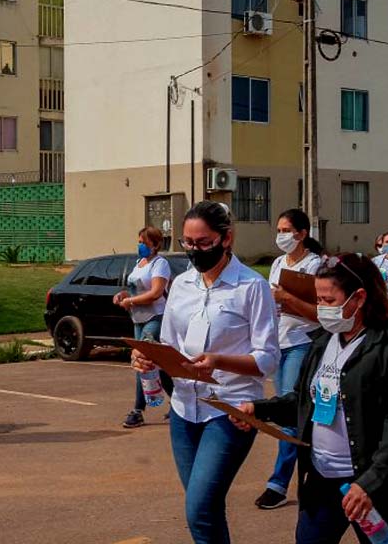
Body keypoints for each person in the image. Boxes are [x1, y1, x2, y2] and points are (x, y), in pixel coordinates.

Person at [234, 253, 388, 544]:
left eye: (329, 301)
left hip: (370, 487)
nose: (320, 308)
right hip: (321, 479)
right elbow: (302, 402)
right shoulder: (322, 343)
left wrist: (368, 484)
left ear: (359, 298)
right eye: (318, 299)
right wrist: (257, 410)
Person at [130, 201, 279, 544]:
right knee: (204, 511)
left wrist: (218, 360)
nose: (194, 251)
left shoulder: (251, 286)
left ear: (226, 239)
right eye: (187, 243)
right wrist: (148, 356)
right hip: (184, 409)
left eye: (203, 243)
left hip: (230, 409)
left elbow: (268, 358)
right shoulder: (181, 284)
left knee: (199, 507)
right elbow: (167, 342)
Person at [255, 208, 323, 510]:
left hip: (302, 343)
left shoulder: (316, 265)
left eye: (286, 230)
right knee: (295, 417)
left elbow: (320, 313)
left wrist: (288, 299)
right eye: (279, 230)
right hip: (278, 343)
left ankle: (278, 483)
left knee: (289, 415)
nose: (281, 235)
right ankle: (315, 473)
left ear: (302, 233)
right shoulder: (279, 263)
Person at [114, 226, 174, 428]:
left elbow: (156, 292)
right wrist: (123, 295)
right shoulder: (139, 263)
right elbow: (134, 288)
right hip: (138, 319)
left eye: (145, 243)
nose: (140, 245)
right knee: (158, 363)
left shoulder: (160, 264)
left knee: (142, 360)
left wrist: (131, 301)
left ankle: (138, 410)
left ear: (156, 245)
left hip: (155, 317)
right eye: (139, 241)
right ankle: (177, 402)